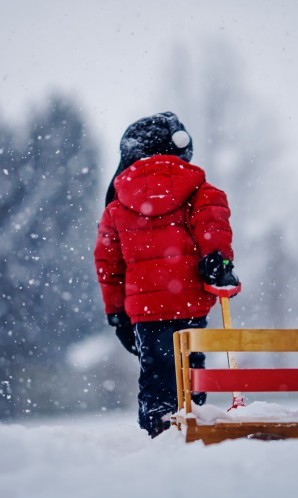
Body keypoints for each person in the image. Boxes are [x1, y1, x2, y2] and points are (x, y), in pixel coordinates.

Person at [94, 112, 239, 437]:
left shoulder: (116, 207)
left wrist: (116, 313)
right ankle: (193, 421)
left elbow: (108, 264)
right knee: (190, 369)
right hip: (189, 303)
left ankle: (159, 426)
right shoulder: (200, 191)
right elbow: (213, 223)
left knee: (156, 372)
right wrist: (219, 261)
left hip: (145, 312)